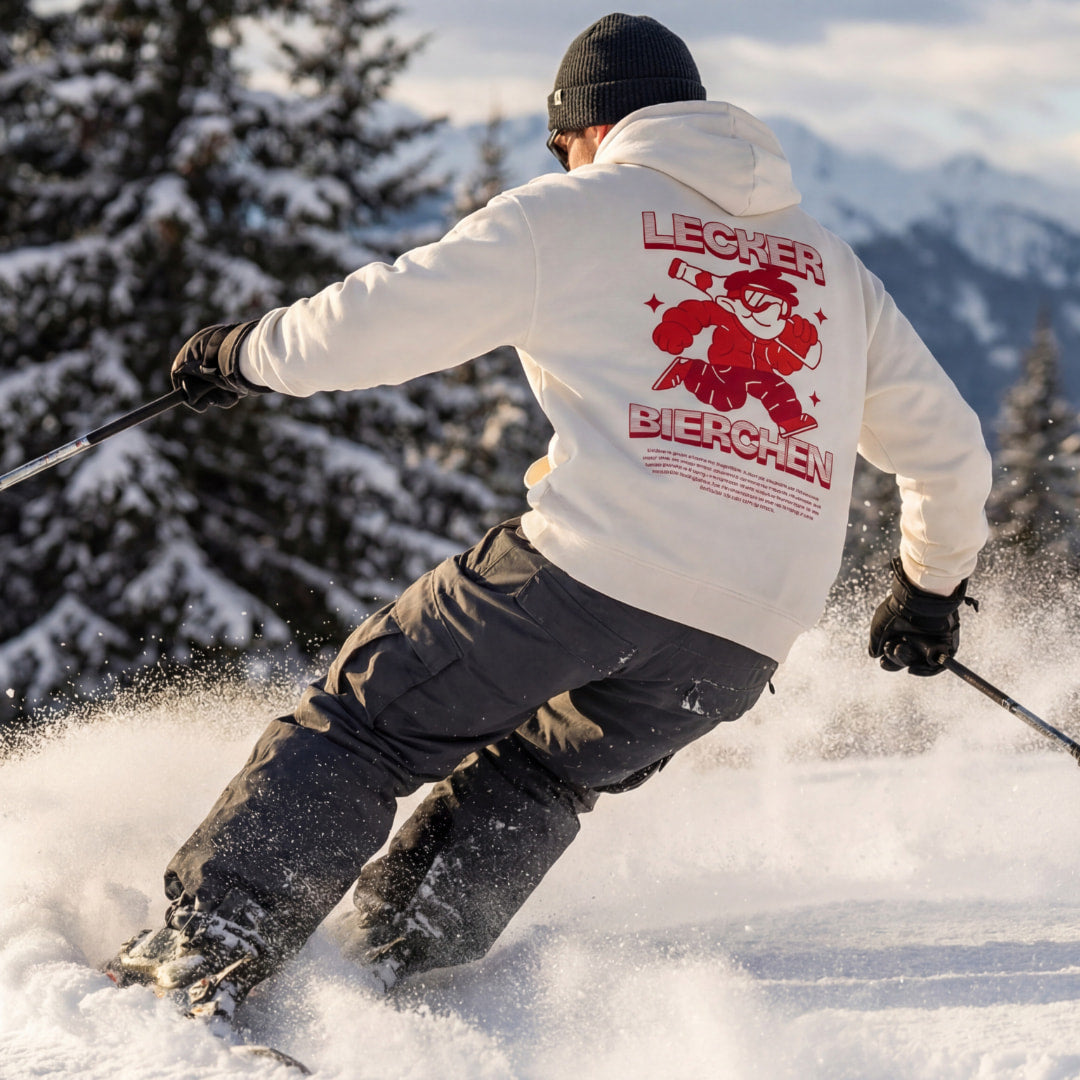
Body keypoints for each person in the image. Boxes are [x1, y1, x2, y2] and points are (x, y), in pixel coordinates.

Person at [108, 13, 992, 1020]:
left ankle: (204, 947)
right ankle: (392, 971)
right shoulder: (830, 266)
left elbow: (386, 318)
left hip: (593, 567)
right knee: (536, 774)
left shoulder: (576, 209)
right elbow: (953, 450)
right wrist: (930, 591)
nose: (565, 158)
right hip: (744, 636)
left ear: (590, 126)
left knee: (365, 722)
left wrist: (244, 354)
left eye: (563, 142)